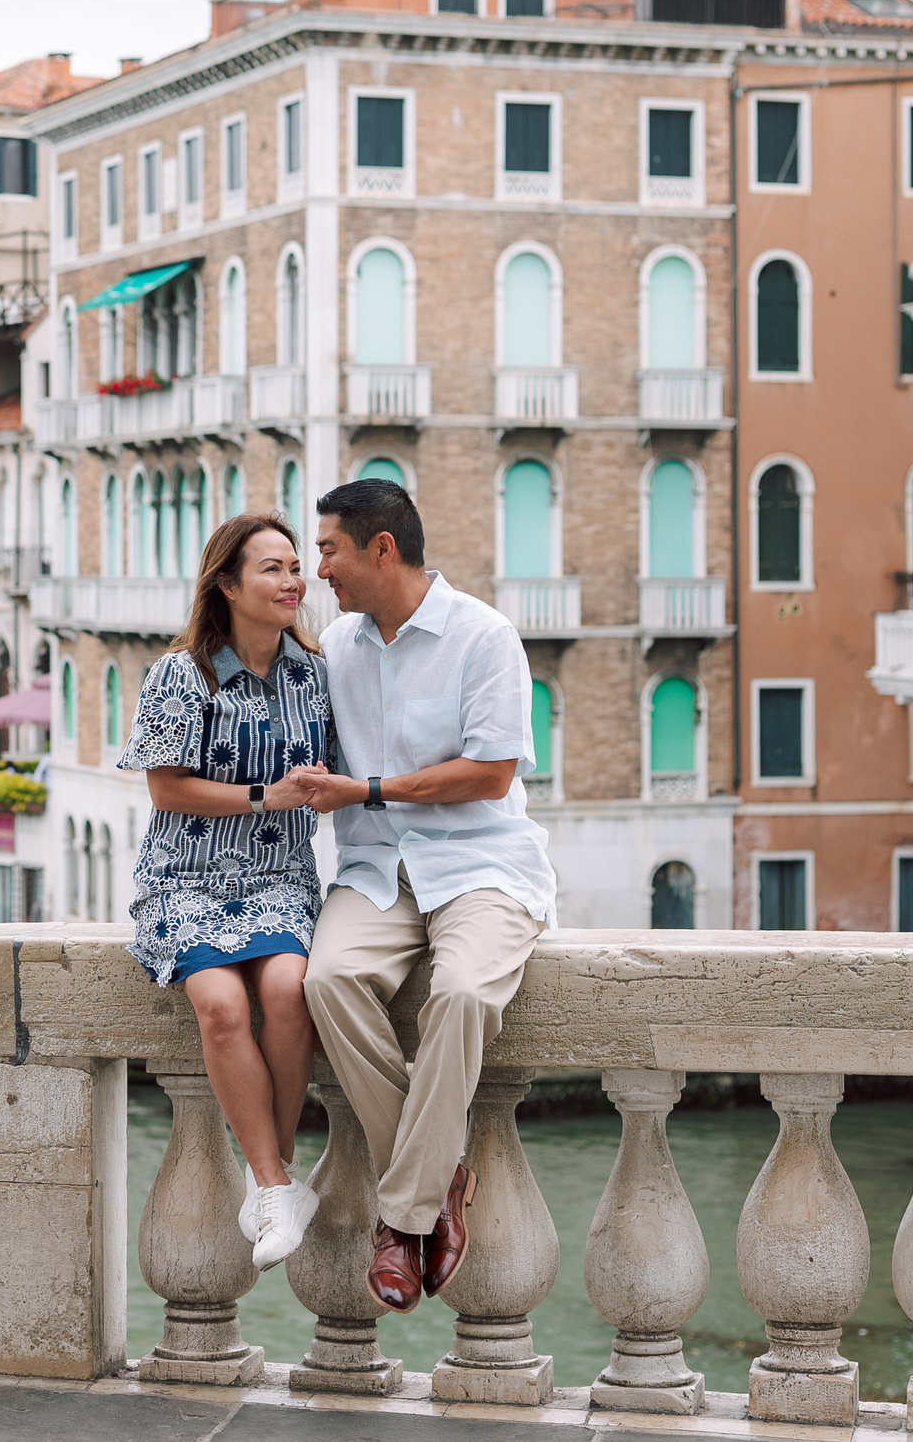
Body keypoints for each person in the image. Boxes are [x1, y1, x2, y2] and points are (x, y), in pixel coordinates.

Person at [293, 478, 555, 1313]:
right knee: (327, 980)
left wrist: (364, 788)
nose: (317, 567)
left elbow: (491, 772)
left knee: (466, 992)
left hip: (481, 865)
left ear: (380, 548)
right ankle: (439, 1186)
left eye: (329, 548)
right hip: (376, 871)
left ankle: (400, 1219)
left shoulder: (484, 636)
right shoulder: (337, 647)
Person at [118, 511, 336, 1270]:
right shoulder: (183, 673)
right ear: (229, 583)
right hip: (186, 878)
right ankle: (276, 1180)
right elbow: (165, 788)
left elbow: (336, 765)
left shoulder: (314, 672)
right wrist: (264, 796)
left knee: (289, 988)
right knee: (220, 1003)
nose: (293, 581)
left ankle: (268, 1181)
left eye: (294, 566)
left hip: (279, 875)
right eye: (272, 568)